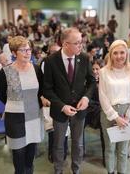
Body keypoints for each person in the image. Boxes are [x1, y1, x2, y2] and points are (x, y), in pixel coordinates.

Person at [43, 27, 95, 174]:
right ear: (65, 44)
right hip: (60, 110)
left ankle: (76, 170)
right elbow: (47, 89)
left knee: (78, 144)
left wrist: (86, 97)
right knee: (59, 144)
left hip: (79, 109)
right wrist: (61, 106)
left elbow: (92, 82)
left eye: (82, 42)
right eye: (77, 43)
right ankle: (58, 170)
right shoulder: (51, 61)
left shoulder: (84, 58)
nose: (81, 46)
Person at [0, 36, 44, 174]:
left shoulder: (36, 69)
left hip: (34, 113)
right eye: (23, 50)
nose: (27, 53)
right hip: (14, 116)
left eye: (29, 49)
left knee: (31, 150)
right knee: (18, 151)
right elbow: (1, 94)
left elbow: (40, 91)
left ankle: (29, 170)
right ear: (13, 53)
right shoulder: (6, 71)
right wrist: (16, 103)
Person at [99, 40, 130, 174]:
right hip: (109, 113)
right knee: (110, 149)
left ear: (127, 54)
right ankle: (110, 171)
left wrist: (129, 116)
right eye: (115, 53)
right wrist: (115, 116)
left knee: (123, 150)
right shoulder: (104, 71)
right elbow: (102, 96)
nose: (119, 56)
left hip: (127, 112)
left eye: (122, 52)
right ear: (110, 55)